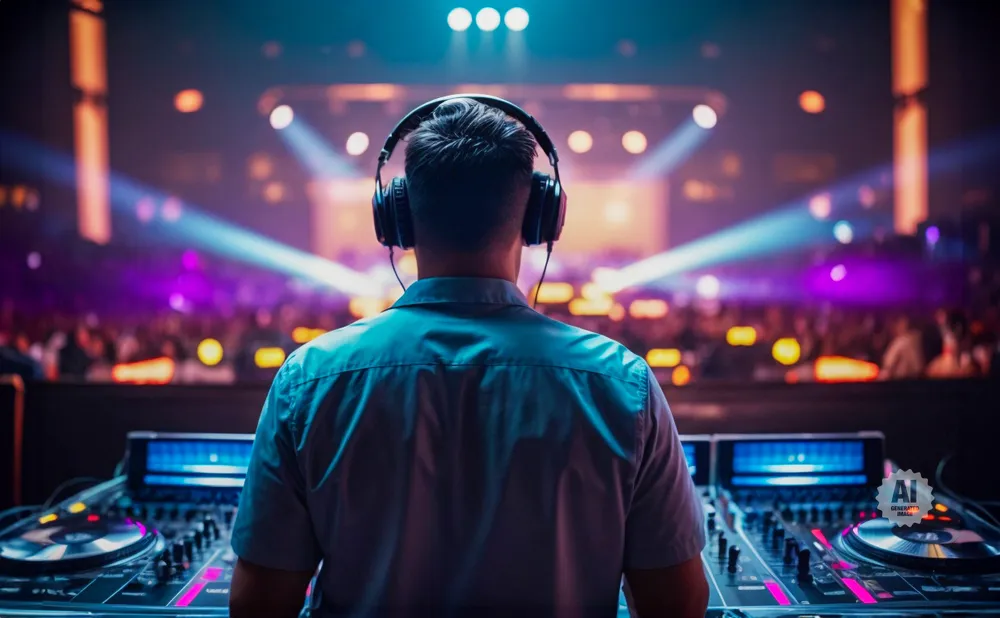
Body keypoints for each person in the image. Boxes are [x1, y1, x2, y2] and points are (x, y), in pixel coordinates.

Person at [229, 97, 708, 618]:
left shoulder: (311, 380)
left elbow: (258, 605)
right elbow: (677, 604)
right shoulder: (620, 383)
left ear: (399, 217)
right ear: (539, 216)